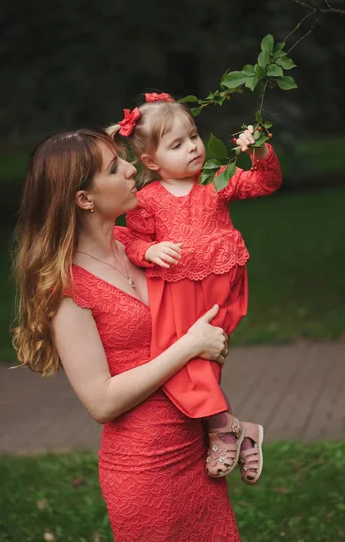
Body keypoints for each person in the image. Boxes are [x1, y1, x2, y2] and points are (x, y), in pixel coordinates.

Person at [12, 128, 242, 542]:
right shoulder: (66, 288)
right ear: (84, 199)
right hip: (145, 468)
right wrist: (190, 346)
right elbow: (102, 401)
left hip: (196, 449)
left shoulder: (135, 245)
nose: (132, 169)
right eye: (116, 168)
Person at [107, 92, 282, 484]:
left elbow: (265, 183)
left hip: (223, 279)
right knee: (182, 356)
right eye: (177, 144)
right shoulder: (146, 200)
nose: (192, 148)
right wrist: (151, 249)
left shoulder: (216, 179)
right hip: (178, 288)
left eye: (193, 136)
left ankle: (226, 428)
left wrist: (260, 150)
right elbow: (134, 243)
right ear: (151, 162)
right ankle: (232, 429)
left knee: (202, 356)